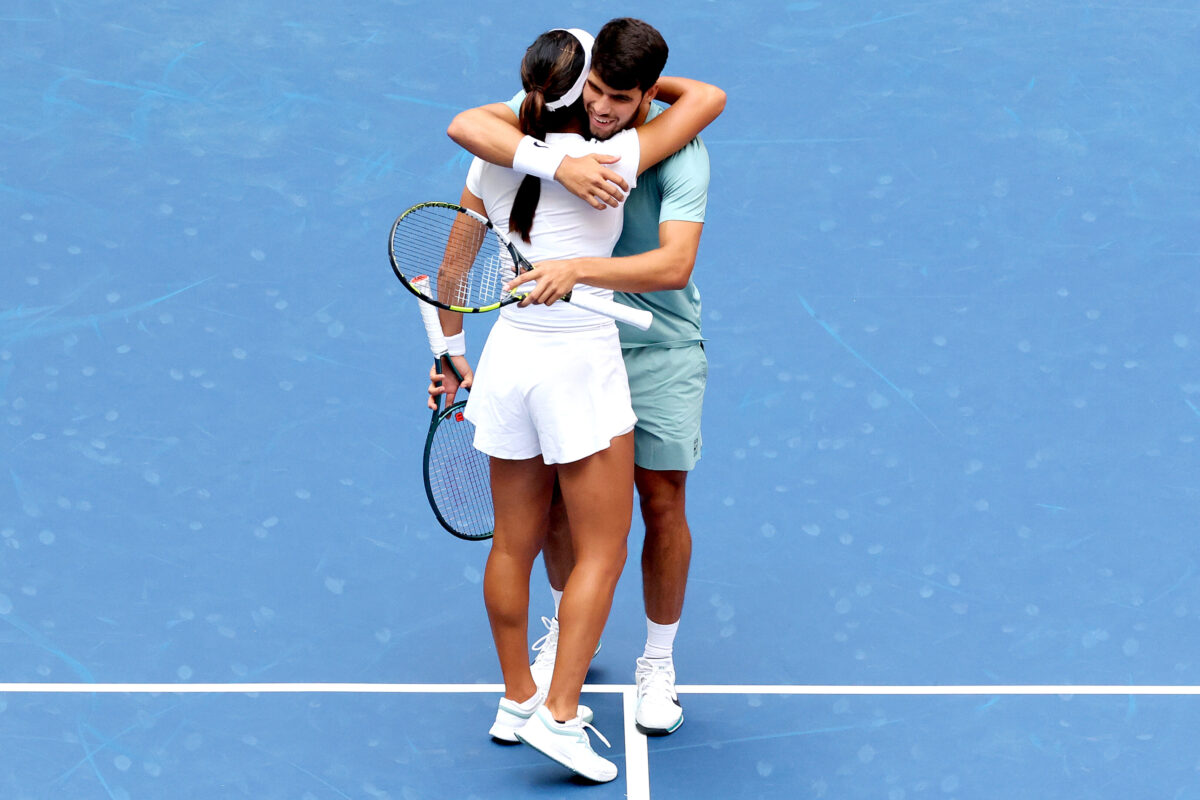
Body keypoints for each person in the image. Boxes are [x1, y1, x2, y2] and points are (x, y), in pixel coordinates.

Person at [431, 27, 724, 783]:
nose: (602, 106)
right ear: (580, 84)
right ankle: (558, 715)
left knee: (512, 546)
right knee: (600, 548)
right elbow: (709, 99)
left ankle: (518, 699)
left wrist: (447, 355)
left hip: (513, 361)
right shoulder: (614, 162)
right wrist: (567, 161)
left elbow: (453, 268)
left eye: (618, 95)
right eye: (592, 89)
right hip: (578, 366)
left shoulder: (493, 153)